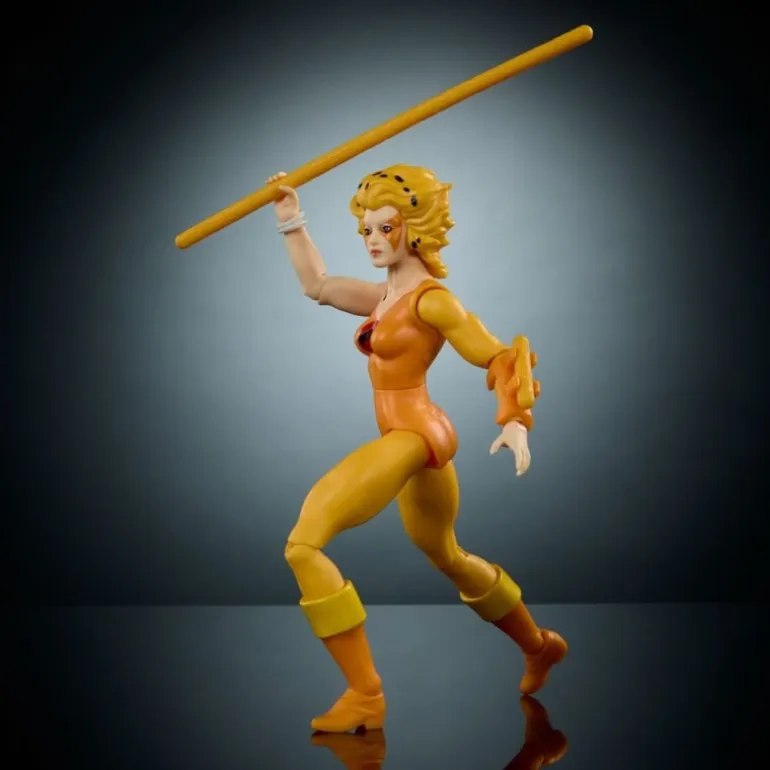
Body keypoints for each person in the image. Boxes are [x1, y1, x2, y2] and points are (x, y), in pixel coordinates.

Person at [268, 165, 567, 733]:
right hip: (409, 436)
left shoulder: (432, 302)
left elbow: (498, 356)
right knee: (446, 554)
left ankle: (365, 695)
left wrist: (516, 419)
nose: (373, 239)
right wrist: (291, 220)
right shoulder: (385, 295)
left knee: (304, 544)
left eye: (386, 227)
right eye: (366, 230)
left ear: (416, 227)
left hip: (415, 435)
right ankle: (539, 645)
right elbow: (319, 286)